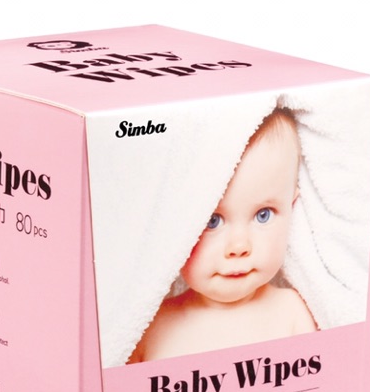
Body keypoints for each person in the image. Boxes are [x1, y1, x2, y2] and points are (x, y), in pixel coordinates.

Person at [128, 108, 316, 363]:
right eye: (212, 221)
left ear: (292, 206)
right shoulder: (152, 328)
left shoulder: (293, 313)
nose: (239, 246)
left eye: (263, 215)